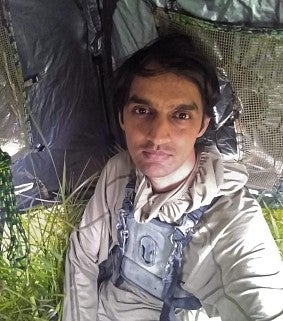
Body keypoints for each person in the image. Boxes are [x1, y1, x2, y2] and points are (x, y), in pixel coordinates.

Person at [62, 35, 283, 321]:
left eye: (180, 115)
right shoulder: (118, 172)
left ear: (202, 124)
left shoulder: (230, 218)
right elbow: (82, 257)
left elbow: (263, 301)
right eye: (142, 111)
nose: (157, 136)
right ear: (122, 117)